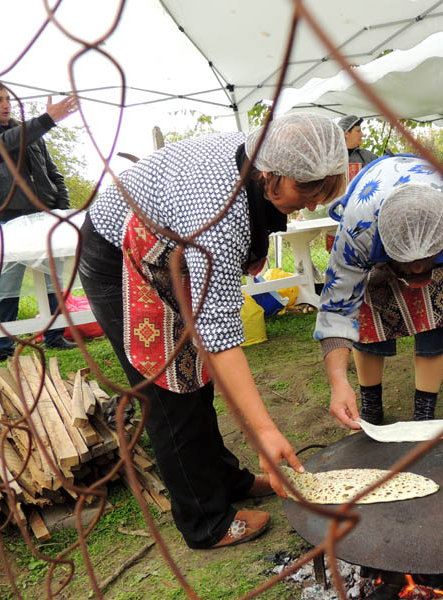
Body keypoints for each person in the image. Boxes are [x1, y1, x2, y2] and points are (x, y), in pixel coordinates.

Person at [78, 113, 347, 549]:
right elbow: (217, 333)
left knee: (197, 380)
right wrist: (265, 433)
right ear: (269, 173)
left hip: (174, 246)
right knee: (168, 388)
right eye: (305, 191)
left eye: (323, 192)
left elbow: (212, 325)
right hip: (122, 256)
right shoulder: (216, 210)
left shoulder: (264, 153)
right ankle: (205, 521)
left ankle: (226, 479)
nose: (312, 204)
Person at [314, 156, 443, 429]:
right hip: (375, 213)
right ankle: (370, 407)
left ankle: (424, 413)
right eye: (409, 261)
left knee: (436, 313)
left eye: (426, 258)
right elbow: (338, 308)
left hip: (437, 214)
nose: (417, 268)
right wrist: (338, 382)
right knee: (369, 315)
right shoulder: (358, 230)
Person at [0, 78, 79, 364]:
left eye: (7, 98)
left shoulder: (27, 132)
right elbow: (3, 145)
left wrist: (62, 210)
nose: (6, 104)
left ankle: (55, 335)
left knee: (54, 282)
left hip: (45, 219)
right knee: (6, 286)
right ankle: (1, 346)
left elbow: (52, 172)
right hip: (8, 222)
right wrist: (48, 119)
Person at [338, 114, 378, 179]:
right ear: (346, 134)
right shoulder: (333, 157)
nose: (362, 134)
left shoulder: (367, 156)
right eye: (358, 131)